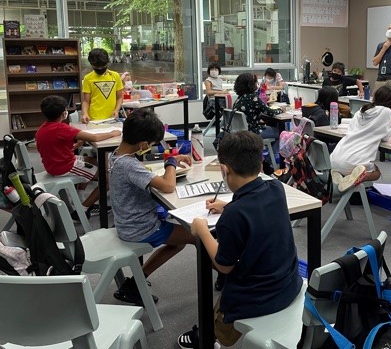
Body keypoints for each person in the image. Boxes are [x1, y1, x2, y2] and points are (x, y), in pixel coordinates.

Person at [179, 131, 302, 349]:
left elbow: (224, 266)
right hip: (290, 284)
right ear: (259, 164)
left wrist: (202, 230)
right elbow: (257, 209)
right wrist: (228, 205)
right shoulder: (276, 188)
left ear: (224, 170)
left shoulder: (233, 216)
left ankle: (207, 336)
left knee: (222, 315)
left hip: (257, 300)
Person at [109, 108, 196, 306]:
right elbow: (168, 186)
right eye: (151, 144)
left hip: (126, 223)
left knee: (179, 242)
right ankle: (227, 276)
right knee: (196, 236)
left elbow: (140, 171)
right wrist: (171, 163)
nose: (151, 147)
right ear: (143, 144)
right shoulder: (129, 165)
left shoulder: (116, 155)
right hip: (142, 228)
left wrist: (169, 160)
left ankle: (136, 281)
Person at [35, 95, 121, 219]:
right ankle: (82, 210)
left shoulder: (43, 128)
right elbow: (95, 138)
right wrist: (112, 133)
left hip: (54, 163)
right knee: (107, 179)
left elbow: (56, 148)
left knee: (95, 162)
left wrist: (77, 145)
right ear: (64, 113)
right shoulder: (62, 128)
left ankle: (79, 199)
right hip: (64, 167)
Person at [330, 85, 391, 192]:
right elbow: (387, 137)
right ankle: (359, 177)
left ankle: (342, 177)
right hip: (354, 161)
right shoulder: (386, 112)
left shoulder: (362, 110)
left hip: (335, 158)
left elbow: (351, 128)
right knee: (377, 173)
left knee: (357, 166)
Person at [233, 72, 282, 154]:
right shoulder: (252, 97)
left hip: (241, 132)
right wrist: (280, 110)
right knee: (283, 133)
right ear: (251, 84)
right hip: (253, 131)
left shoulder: (239, 98)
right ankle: (271, 157)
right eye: (255, 82)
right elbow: (270, 112)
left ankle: (269, 154)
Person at [81, 48, 124, 123]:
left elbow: (119, 97)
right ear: (91, 64)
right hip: (94, 119)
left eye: (102, 67)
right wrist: (85, 113)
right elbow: (86, 101)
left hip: (112, 118)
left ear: (107, 63)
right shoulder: (88, 78)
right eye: (97, 67)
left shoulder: (115, 76)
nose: (100, 69)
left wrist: (116, 110)